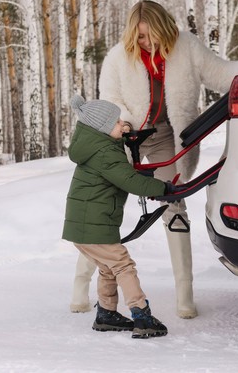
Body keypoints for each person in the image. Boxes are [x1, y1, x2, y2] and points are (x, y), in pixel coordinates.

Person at [70, 0, 238, 319]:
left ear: (166, 29)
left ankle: (185, 296)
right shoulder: (118, 57)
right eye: (141, 37)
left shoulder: (186, 46)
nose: (148, 43)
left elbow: (219, 74)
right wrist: (125, 123)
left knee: (174, 204)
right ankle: (79, 287)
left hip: (168, 136)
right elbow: (110, 99)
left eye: (153, 36)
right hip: (128, 137)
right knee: (104, 212)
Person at [63, 94, 178, 339]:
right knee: (123, 265)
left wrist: (122, 133)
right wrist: (162, 188)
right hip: (92, 224)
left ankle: (106, 314)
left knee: (107, 267)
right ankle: (142, 315)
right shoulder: (105, 153)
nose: (122, 125)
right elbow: (128, 179)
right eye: (117, 122)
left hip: (87, 224)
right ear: (103, 129)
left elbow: (119, 162)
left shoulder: (96, 145)